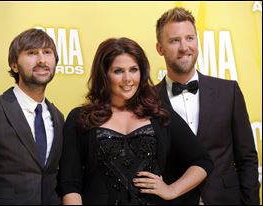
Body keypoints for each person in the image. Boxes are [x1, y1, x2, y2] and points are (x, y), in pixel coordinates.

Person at [57, 37, 213, 205]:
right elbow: (70, 184)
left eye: (133, 70)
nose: (127, 79)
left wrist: (171, 190)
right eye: (118, 71)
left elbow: (202, 161)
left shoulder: (159, 114)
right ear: (104, 75)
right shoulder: (80, 118)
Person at [155, 7, 259, 205]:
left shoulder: (230, 92)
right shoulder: (148, 100)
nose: (184, 47)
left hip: (226, 200)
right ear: (160, 48)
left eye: (190, 38)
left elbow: (247, 159)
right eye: (174, 40)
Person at [0, 28, 64, 205]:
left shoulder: (58, 117)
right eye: (32, 53)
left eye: (47, 52)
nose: (42, 60)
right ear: (14, 65)